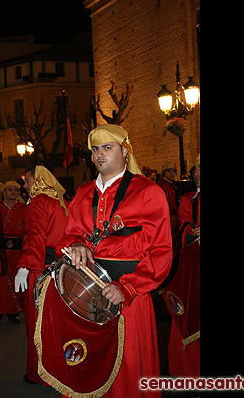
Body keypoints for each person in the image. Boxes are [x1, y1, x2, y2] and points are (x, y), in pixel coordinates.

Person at [58, 124, 173, 397]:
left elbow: (161, 250)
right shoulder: (83, 193)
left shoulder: (148, 191)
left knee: (128, 369)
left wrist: (128, 288)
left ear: (124, 150)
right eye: (95, 149)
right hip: (87, 294)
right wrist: (75, 245)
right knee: (90, 364)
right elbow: (69, 236)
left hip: (128, 295)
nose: (100, 155)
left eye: (107, 148)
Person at [14, 165, 69, 385]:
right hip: (62, 269)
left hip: (41, 268)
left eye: (27, 181)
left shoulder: (38, 202)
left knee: (38, 321)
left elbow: (35, 237)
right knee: (59, 322)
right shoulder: (62, 202)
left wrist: (25, 266)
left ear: (36, 182)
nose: (25, 186)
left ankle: (42, 374)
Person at [167, 153, 200, 377]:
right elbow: (184, 229)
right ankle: (187, 371)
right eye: (195, 169)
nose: (197, 173)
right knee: (187, 310)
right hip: (192, 264)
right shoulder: (189, 199)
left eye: (201, 169)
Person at [0, 180, 26, 324]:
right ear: (4, 192)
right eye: (9, 189)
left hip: (17, 252)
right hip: (1, 251)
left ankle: (14, 311)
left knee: (16, 282)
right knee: (1, 285)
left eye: (15, 190)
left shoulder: (24, 208)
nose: (13, 192)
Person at [156, 162, 179, 230]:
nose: (171, 173)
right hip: (167, 216)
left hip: (172, 215)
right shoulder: (162, 185)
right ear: (164, 172)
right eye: (168, 171)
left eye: (173, 171)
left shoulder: (171, 184)